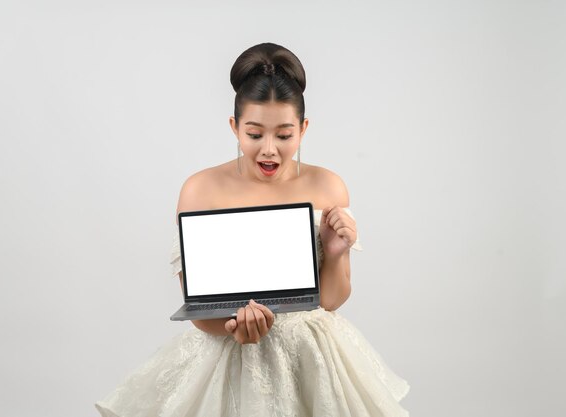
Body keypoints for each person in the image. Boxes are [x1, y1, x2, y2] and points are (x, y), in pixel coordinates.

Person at [95, 42, 410, 417]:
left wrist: (336, 251)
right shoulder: (200, 189)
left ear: (303, 129)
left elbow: (330, 301)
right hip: (229, 362)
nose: (269, 150)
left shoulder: (328, 186)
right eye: (255, 133)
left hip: (311, 358)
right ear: (235, 127)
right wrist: (233, 326)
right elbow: (199, 309)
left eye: (284, 134)